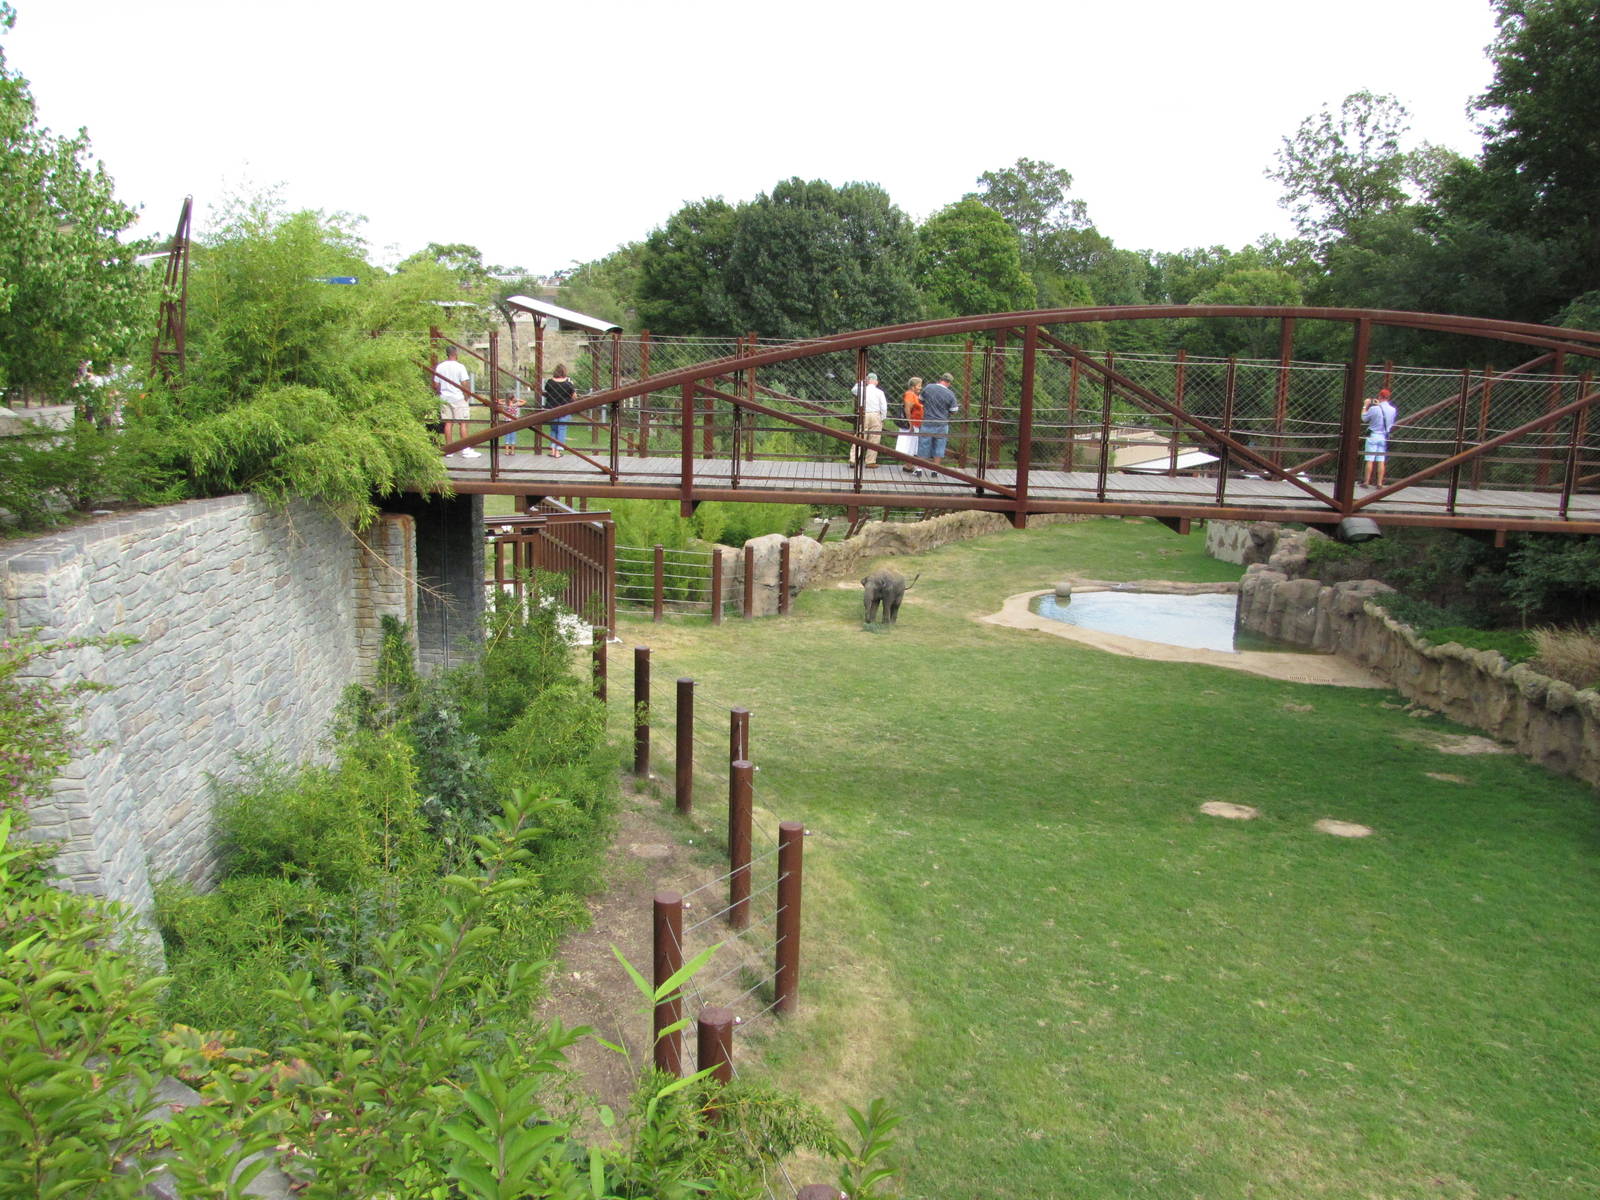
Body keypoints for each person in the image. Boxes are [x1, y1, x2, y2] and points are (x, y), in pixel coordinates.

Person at [435, 346, 479, 458]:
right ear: (456, 353)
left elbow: (436, 384)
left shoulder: (440, 367)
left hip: (445, 398)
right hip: (458, 398)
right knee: (463, 422)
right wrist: (467, 395)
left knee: (448, 423)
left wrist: (441, 393)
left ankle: (449, 449)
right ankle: (465, 449)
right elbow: (464, 383)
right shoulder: (460, 367)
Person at [918, 372, 960, 468]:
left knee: (923, 445)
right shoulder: (950, 394)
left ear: (940, 379)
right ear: (949, 383)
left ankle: (919, 468)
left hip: (927, 421)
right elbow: (954, 410)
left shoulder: (929, 387)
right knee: (939, 446)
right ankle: (935, 469)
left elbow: (920, 400)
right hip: (942, 423)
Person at [850, 372, 888, 467]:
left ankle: (853, 459)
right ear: (876, 381)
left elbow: (853, 390)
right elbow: (884, 406)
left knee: (859, 436)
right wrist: (883, 418)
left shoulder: (862, 390)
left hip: (864, 414)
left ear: (867, 381)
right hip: (876, 415)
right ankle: (870, 461)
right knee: (874, 438)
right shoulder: (879, 392)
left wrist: (861, 382)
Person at [1362, 386, 1397, 487]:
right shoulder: (1393, 410)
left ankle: (1366, 482)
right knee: (1381, 460)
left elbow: (1364, 418)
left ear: (1379, 396)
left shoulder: (1374, 408)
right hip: (1383, 436)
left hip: (1373, 435)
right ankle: (1379, 483)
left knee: (1370, 459)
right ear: (1388, 397)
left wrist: (1365, 405)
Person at [542, 364, 576, 458]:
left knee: (553, 430)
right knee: (562, 429)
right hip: (564, 409)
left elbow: (547, 391)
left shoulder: (550, 382)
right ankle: (558, 451)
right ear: (564, 372)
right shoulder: (568, 384)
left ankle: (553, 450)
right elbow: (574, 396)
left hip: (551, 409)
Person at [896, 377, 924, 473]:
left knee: (912, 444)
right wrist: (910, 422)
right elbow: (907, 409)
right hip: (912, 423)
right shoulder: (909, 394)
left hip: (916, 422)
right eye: (919, 386)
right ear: (913, 387)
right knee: (909, 444)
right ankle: (908, 464)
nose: (920, 388)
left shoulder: (913, 395)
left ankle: (909, 464)